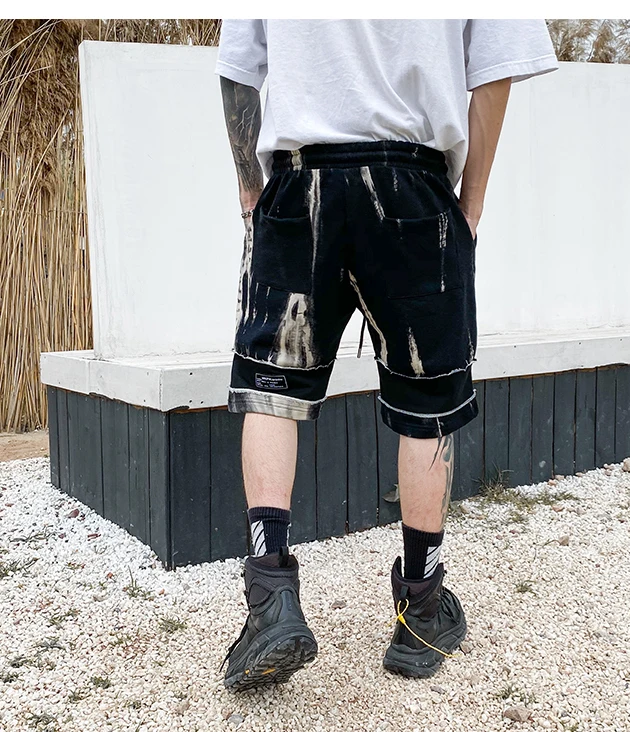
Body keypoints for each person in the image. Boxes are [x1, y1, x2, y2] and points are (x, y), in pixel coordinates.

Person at [215, 19, 557, 689]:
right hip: (413, 185)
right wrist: (469, 206)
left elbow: (237, 71)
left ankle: (271, 598)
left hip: (299, 182)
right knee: (427, 402)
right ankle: (421, 612)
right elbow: (495, 71)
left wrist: (252, 192)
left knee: (272, 390)